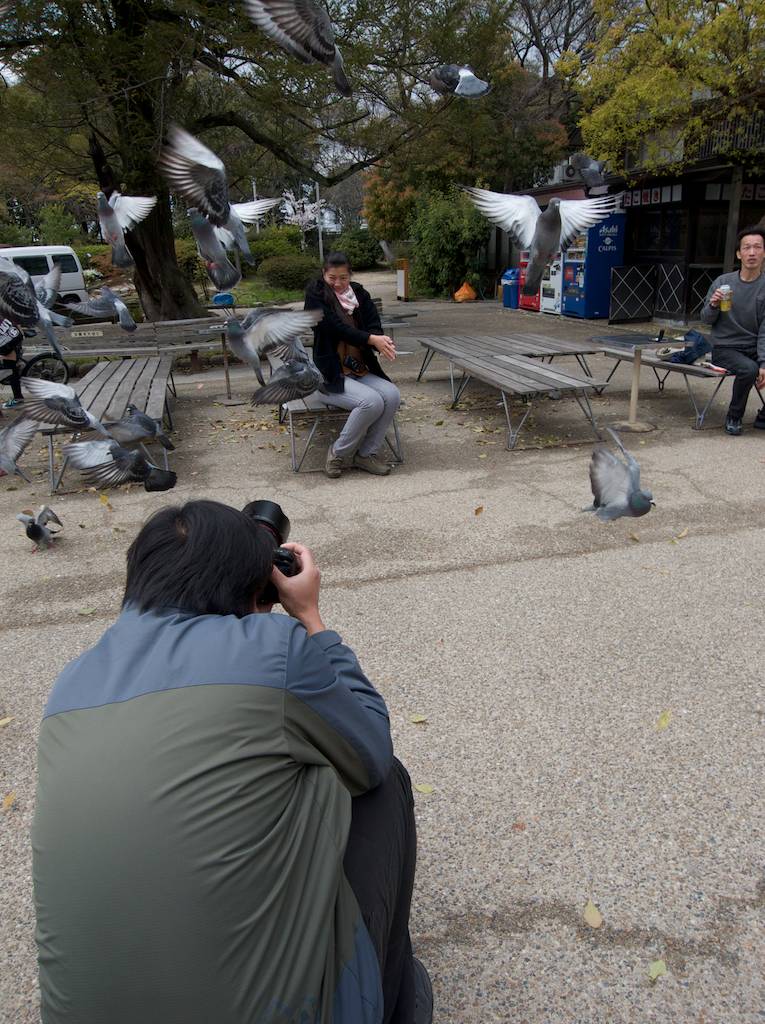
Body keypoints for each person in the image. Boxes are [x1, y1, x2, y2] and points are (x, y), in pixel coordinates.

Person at [33, 500, 432, 1024]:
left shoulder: (70, 684)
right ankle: (394, 996)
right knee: (380, 782)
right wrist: (310, 618)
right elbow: (370, 747)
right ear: (257, 585)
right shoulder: (273, 646)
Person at [304, 252, 401, 478]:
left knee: (392, 395)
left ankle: (366, 454)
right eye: (332, 278)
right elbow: (334, 327)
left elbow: (374, 325)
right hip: (330, 374)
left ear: (350, 275)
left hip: (359, 368)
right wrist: (370, 339)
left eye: (343, 278)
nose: (338, 283)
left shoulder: (359, 294)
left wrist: (381, 341)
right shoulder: (315, 296)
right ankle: (337, 453)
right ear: (323, 274)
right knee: (371, 402)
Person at [701, 225, 765, 435]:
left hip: (754, 345)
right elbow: (705, 320)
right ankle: (734, 416)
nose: (752, 252)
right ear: (739, 253)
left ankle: (763, 415)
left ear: (764, 252)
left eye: (757, 247)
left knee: (754, 366)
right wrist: (713, 305)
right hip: (725, 347)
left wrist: (764, 362)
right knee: (748, 369)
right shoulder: (723, 282)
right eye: (747, 248)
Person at [0, 317, 24, 409]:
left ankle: (18, 399)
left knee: (11, 369)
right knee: (11, 368)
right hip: (13, 335)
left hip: (8, 341)